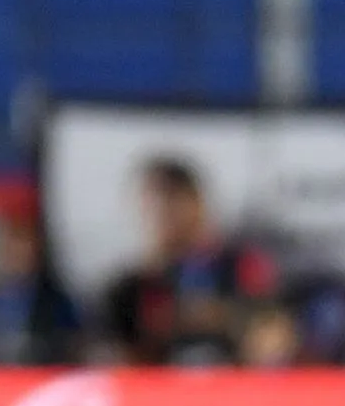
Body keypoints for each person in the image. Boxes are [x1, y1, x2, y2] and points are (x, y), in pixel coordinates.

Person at [100, 157, 278, 366]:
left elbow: (272, 332)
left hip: (236, 379)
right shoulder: (127, 290)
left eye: (172, 201)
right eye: (153, 205)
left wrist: (222, 317)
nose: (162, 215)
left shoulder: (242, 265)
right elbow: (110, 356)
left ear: (197, 202)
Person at [0, 219, 80, 365]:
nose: (17, 259)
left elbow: (68, 343)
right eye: (12, 251)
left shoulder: (56, 301)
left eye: (23, 252)